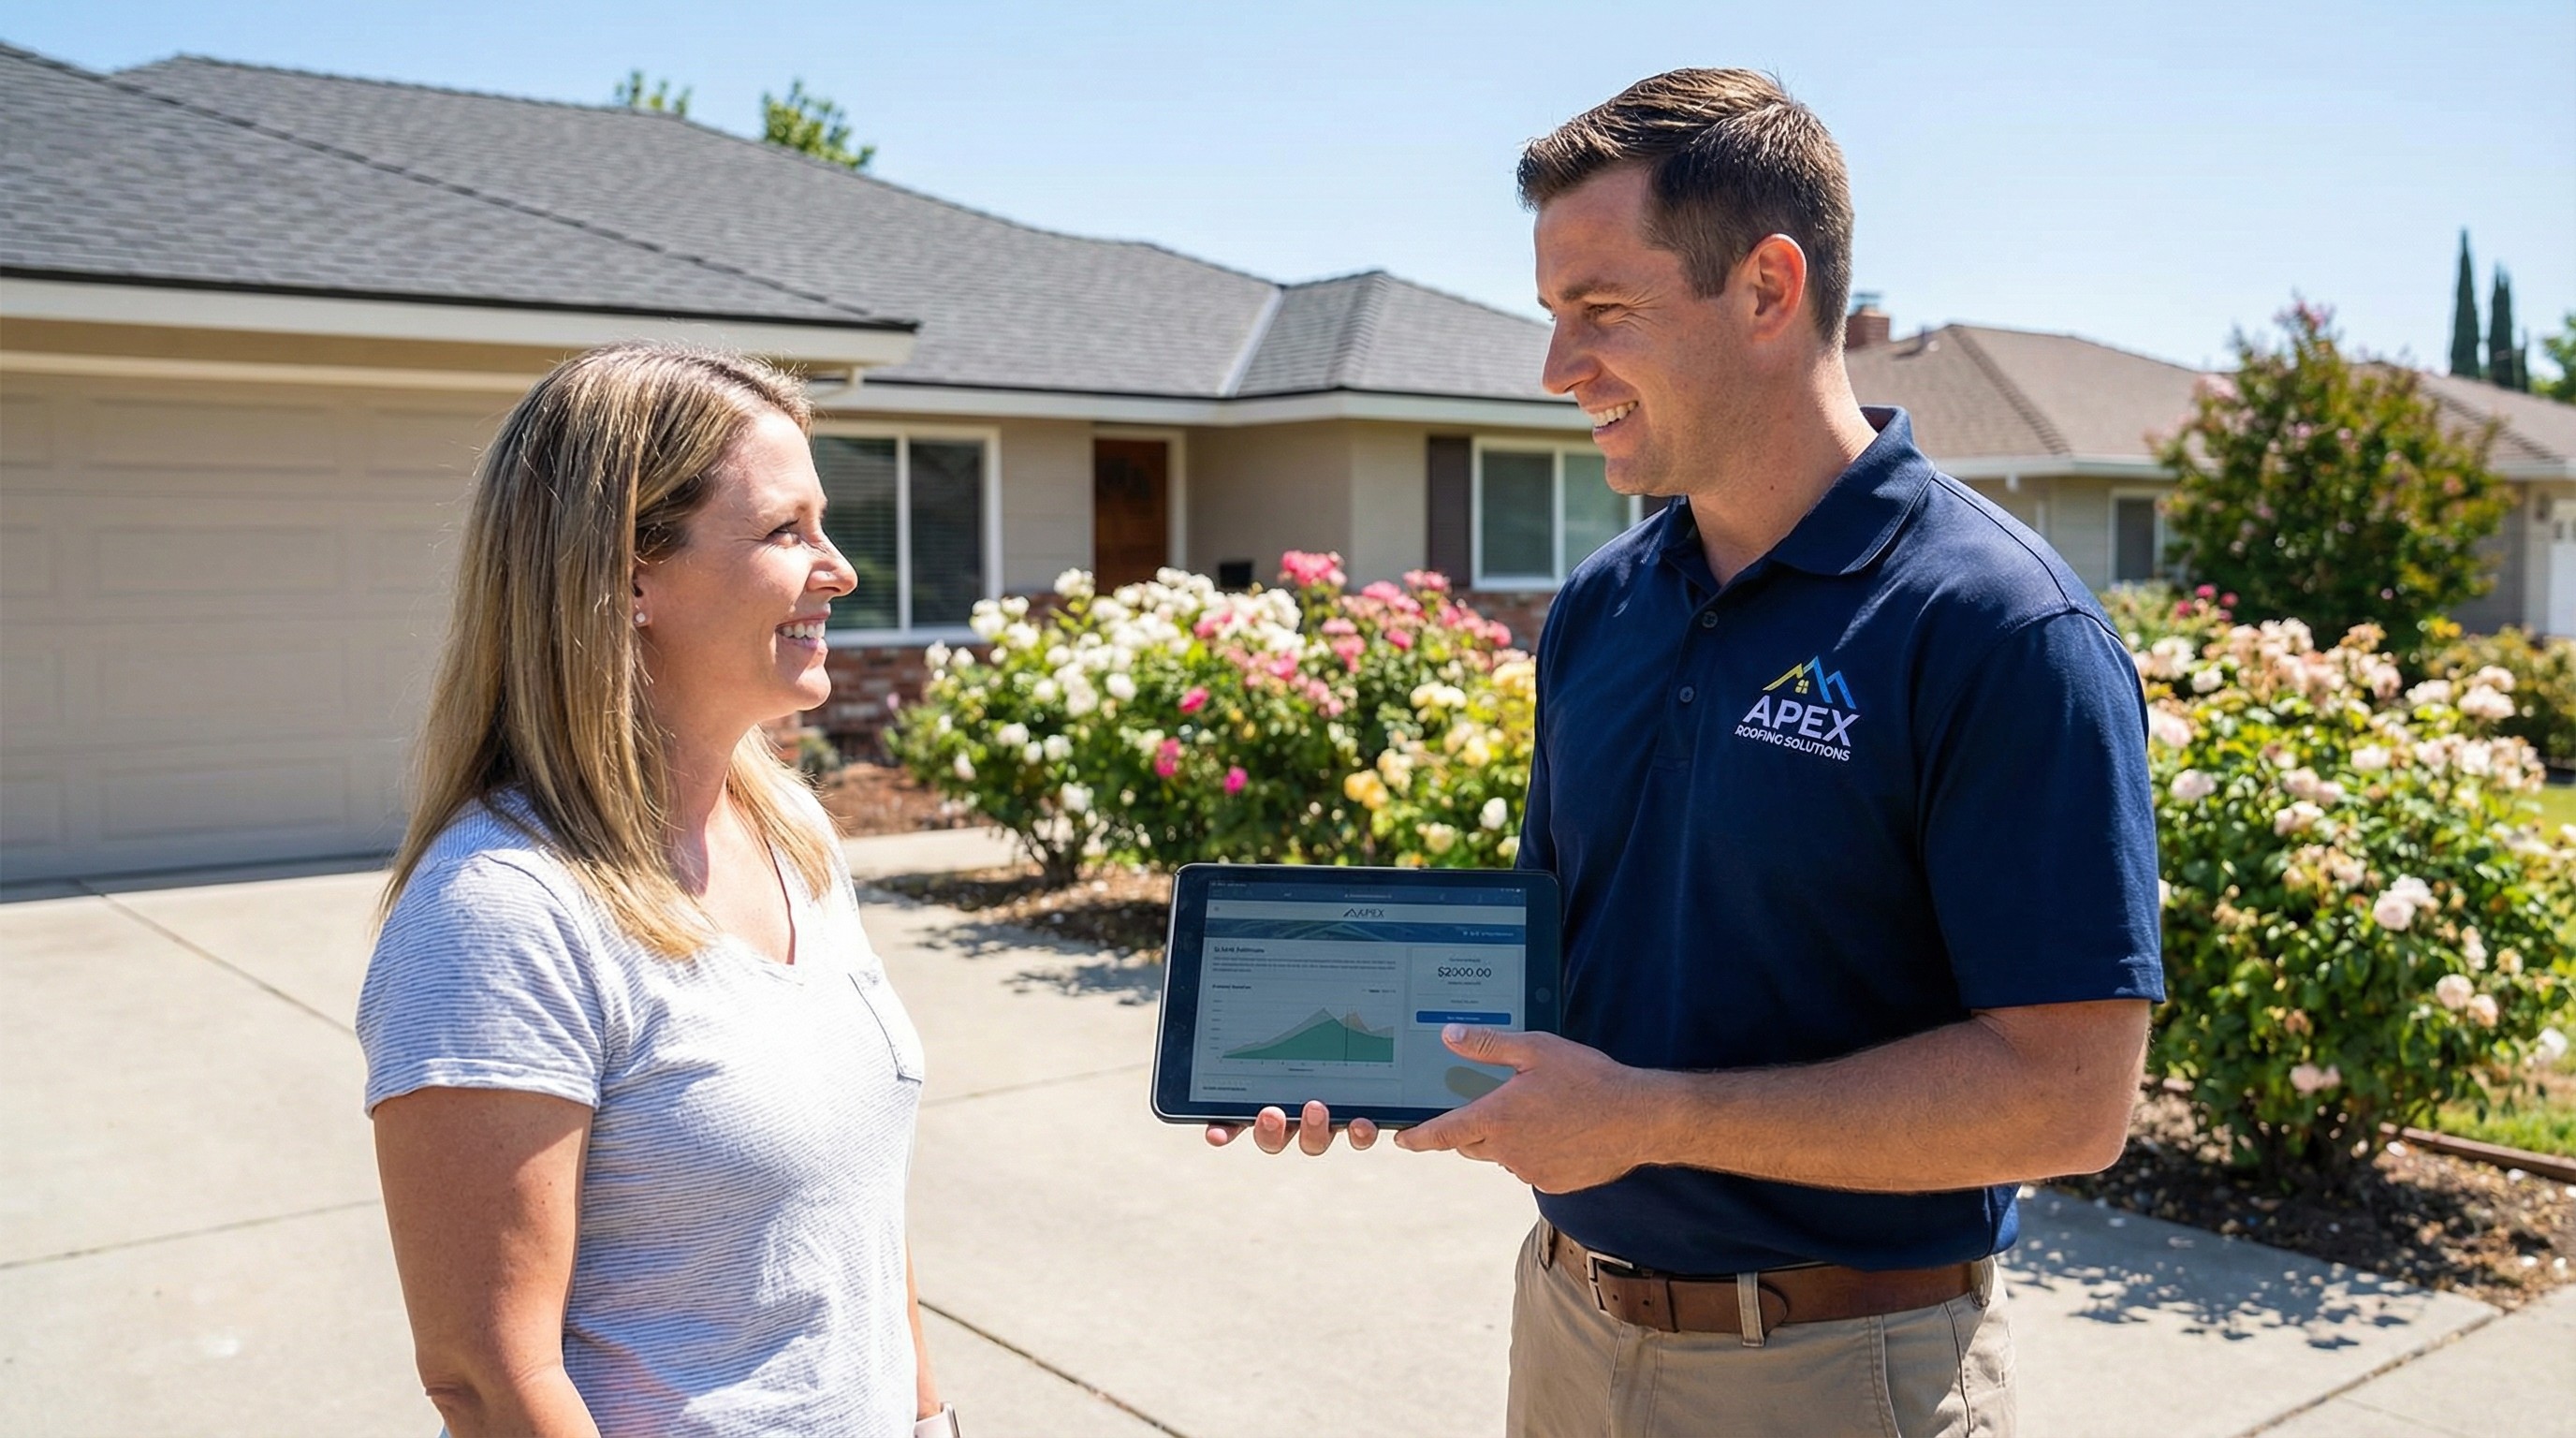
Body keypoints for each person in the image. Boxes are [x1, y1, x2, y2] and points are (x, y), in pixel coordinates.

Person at [1213, 70, 2161, 1436]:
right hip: (1567, 1326)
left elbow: (2068, 1100)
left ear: (1768, 288)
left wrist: (1651, 1117)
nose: (1558, 369)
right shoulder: (1601, 605)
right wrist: (1359, 1051)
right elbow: (1559, 954)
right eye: (1552, 316)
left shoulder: (2001, 627)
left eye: (1602, 311)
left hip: (1843, 1372)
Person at [359, 344, 957, 1437]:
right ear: (629, 575)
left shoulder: (791, 831)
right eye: (785, 531)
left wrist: (928, 1420)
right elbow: (488, 1379)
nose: (839, 570)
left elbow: (851, 1217)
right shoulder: (500, 914)